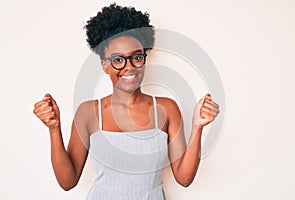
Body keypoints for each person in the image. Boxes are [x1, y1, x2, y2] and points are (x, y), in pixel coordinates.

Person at [33, 3, 219, 200]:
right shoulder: (88, 113)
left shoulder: (166, 108)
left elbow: (184, 178)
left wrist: (198, 127)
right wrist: (54, 128)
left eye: (136, 57)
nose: (129, 67)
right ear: (105, 65)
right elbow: (68, 181)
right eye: (118, 60)